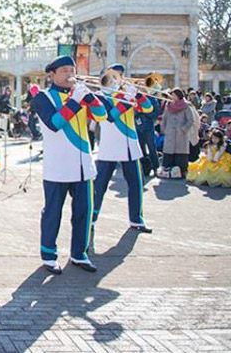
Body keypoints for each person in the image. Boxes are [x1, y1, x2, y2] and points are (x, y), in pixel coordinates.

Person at [31, 55, 107, 275]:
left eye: (71, 69)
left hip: (83, 165)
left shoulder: (82, 94)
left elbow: (102, 116)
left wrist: (90, 98)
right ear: (52, 75)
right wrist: (75, 101)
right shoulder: (43, 97)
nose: (69, 74)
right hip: (58, 167)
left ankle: (79, 253)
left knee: (84, 211)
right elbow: (55, 124)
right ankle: (48, 254)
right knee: (53, 212)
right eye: (63, 70)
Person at [91, 64, 154, 247]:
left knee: (136, 183)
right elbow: (110, 116)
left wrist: (139, 95)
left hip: (130, 145)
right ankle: (92, 218)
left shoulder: (127, 93)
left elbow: (149, 110)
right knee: (100, 185)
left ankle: (136, 219)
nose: (118, 80)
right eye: (115, 76)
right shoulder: (101, 95)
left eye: (120, 76)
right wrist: (126, 98)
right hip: (110, 146)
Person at [161, 88, 195, 178]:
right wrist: (163, 129)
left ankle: (181, 172)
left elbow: (191, 120)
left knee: (180, 154)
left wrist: (184, 129)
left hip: (181, 134)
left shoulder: (186, 106)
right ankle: (167, 171)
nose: (172, 97)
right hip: (170, 133)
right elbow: (164, 118)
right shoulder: (169, 105)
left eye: (174, 95)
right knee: (169, 152)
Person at [135, 81, 162, 177]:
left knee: (152, 148)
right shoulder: (134, 98)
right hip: (138, 126)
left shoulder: (151, 98)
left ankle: (155, 167)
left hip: (148, 126)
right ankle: (144, 168)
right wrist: (137, 113)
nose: (141, 90)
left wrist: (145, 112)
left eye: (142, 88)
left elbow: (156, 111)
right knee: (140, 148)